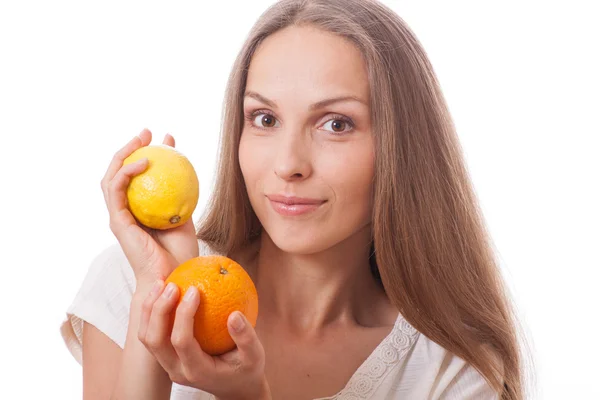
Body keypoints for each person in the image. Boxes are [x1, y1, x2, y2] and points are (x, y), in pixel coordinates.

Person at [60, 0, 534, 399]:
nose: (289, 164)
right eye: (265, 118)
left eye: (336, 124)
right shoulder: (131, 280)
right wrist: (158, 293)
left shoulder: (449, 371)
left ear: (402, 147)